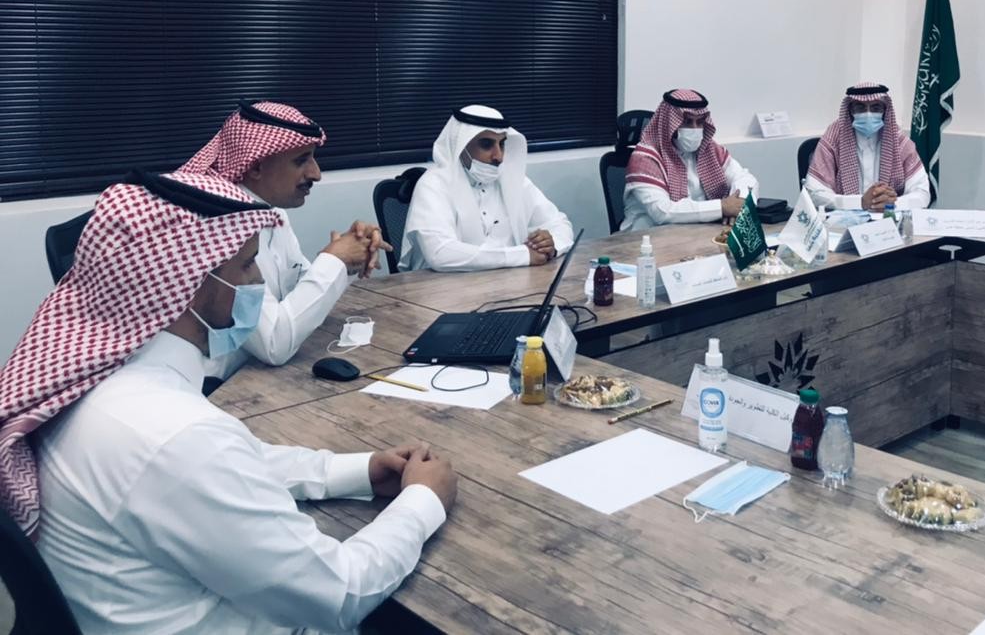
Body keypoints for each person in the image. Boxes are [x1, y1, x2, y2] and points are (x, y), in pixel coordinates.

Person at [0, 170, 456, 634]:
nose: (258, 280)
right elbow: (340, 594)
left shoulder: (98, 380)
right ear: (193, 283)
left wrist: (359, 471)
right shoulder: (177, 435)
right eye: (248, 264)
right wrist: (423, 500)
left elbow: (236, 465)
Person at [181, 99, 390, 379]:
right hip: (211, 386)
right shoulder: (219, 226)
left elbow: (296, 293)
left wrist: (349, 259)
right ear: (256, 166)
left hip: (253, 377)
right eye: (301, 160)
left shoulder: (272, 212)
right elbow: (275, 344)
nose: (316, 174)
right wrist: (334, 259)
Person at [400, 105, 573, 271]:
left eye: (502, 144)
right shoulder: (434, 184)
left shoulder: (512, 179)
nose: (499, 156)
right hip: (441, 287)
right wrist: (522, 255)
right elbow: (440, 253)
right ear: (461, 146)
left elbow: (560, 223)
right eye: (486, 145)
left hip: (507, 283)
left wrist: (550, 245)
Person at [621, 89, 758, 231]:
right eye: (687, 122)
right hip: (646, 236)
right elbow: (662, 212)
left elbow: (744, 177)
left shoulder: (710, 149)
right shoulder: (644, 159)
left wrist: (741, 203)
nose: (695, 129)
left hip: (695, 233)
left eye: (700, 122)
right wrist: (723, 207)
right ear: (670, 124)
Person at [805, 82, 930, 213]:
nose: (868, 114)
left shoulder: (899, 141)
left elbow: (922, 194)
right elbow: (814, 192)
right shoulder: (833, 138)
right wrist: (859, 202)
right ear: (850, 110)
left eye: (876, 107)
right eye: (860, 107)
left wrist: (892, 203)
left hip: (889, 218)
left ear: (884, 110)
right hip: (844, 219)